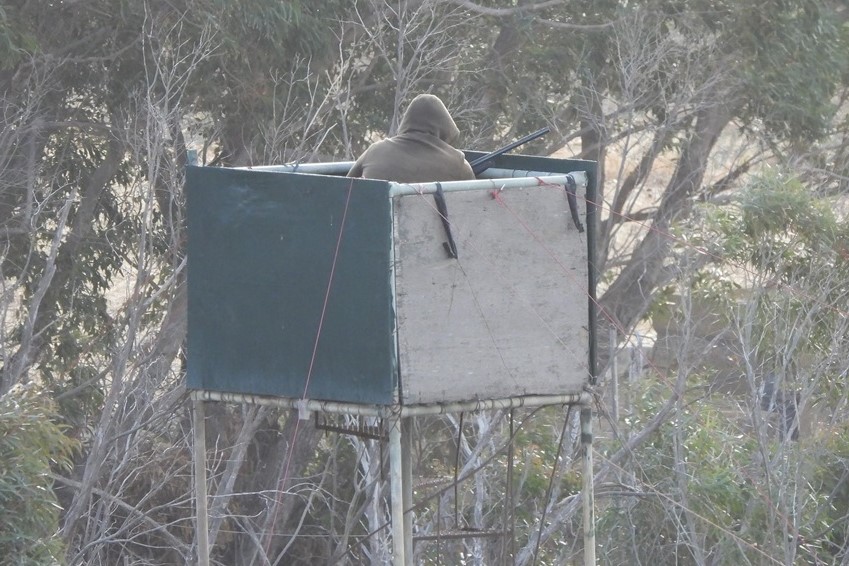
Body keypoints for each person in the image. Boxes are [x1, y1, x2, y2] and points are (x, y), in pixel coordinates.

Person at [347, 94, 475, 183]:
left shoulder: (375, 151)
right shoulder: (458, 164)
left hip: (374, 221)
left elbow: (343, 186)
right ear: (446, 129)